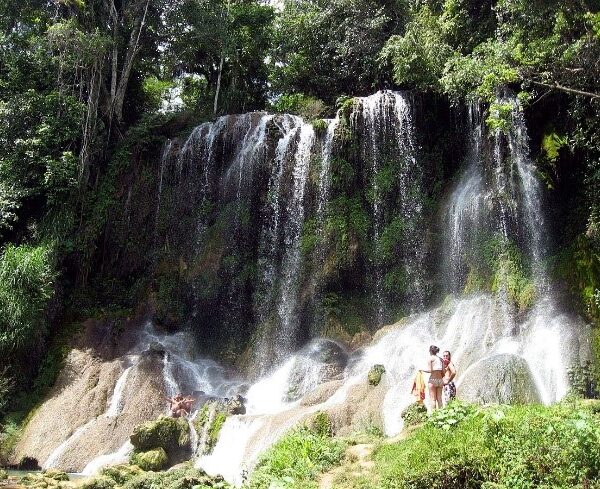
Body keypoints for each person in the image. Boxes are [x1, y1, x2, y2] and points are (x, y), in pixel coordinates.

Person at [421, 345, 444, 412]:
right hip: (440, 380)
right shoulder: (441, 359)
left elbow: (430, 370)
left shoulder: (430, 359)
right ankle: (442, 414)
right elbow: (443, 371)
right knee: (439, 399)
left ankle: (434, 416)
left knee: (433, 399)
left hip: (432, 380)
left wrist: (422, 370)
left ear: (430, 351)